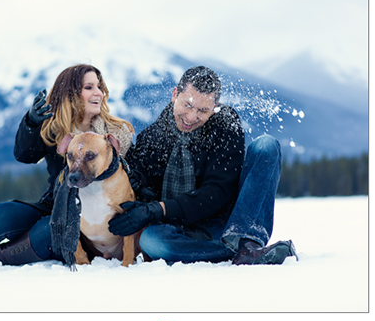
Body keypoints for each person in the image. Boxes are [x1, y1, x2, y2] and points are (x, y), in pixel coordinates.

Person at [0, 64, 134, 268]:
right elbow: (24, 155)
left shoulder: (116, 134)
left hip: (88, 228)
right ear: (71, 93)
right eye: (89, 87)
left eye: (99, 87)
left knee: (47, 233)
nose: (98, 92)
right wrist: (32, 123)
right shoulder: (54, 129)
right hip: (53, 206)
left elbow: (132, 179)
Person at [108, 65, 297, 265]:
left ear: (214, 108)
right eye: (187, 105)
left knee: (266, 146)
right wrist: (141, 192)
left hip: (228, 222)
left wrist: (159, 209)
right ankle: (234, 252)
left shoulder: (225, 125)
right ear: (175, 95)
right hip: (179, 229)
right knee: (151, 242)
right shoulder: (150, 138)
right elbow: (139, 189)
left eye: (202, 110)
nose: (191, 117)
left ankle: (247, 243)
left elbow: (217, 193)